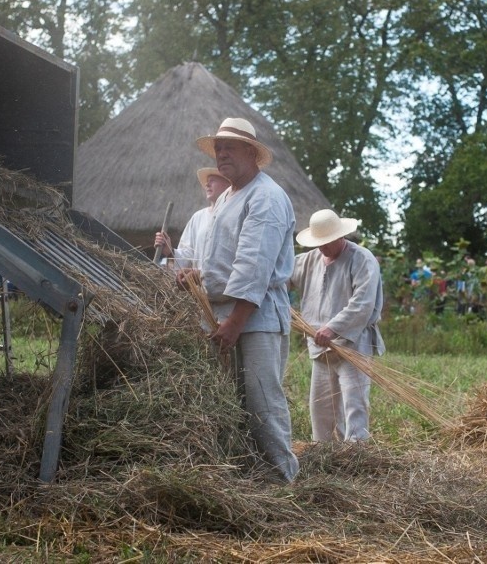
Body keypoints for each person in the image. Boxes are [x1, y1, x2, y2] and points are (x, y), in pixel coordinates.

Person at [194, 117, 299, 483]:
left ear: (251, 153)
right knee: (231, 400)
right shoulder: (226, 196)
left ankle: (282, 477)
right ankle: (248, 474)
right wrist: (196, 277)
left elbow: (253, 265)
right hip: (221, 313)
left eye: (229, 148)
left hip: (254, 315)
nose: (221, 154)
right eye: (218, 148)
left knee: (260, 399)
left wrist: (235, 323)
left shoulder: (266, 197)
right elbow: (218, 257)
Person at [290, 209, 385, 443]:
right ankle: (325, 453)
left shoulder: (362, 258)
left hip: (353, 343)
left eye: (326, 242)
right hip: (319, 344)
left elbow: (363, 302)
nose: (321, 247)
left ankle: (355, 454)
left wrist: (333, 328)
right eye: (318, 242)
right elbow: (280, 276)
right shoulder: (308, 260)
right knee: (321, 405)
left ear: (340, 236)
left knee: (354, 402)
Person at [154, 167, 231, 269]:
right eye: (207, 182)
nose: (207, 185)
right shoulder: (198, 217)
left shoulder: (234, 215)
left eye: (212, 181)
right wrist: (170, 251)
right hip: (199, 284)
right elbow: (188, 256)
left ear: (227, 185)